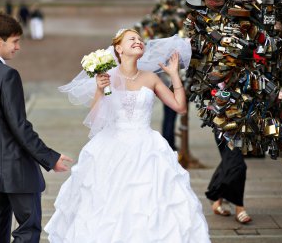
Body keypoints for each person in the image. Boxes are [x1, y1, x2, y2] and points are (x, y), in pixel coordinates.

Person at [45, 29, 210, 242]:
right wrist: (99, 90)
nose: (139, 41)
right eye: (132, 39)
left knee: (148, 204)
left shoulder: (150, 78)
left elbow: (180, 107)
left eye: (141, 40)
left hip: (147, 149)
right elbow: (94, 122)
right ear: (118, 48)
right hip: (111, 147)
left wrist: (174, 76)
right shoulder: (107, 78)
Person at [0, 13, 73, 243]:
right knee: (28, 229)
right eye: (15, 41)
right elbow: (19, 126)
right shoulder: (7, 75)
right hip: (15, 168)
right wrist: (49, 158)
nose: (18, 47)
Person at [206, 134, 252, 224]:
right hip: (225, 127)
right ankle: (239, 207)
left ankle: (217, 199)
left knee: (230, 160)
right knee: (238, 165)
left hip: (241, 128)